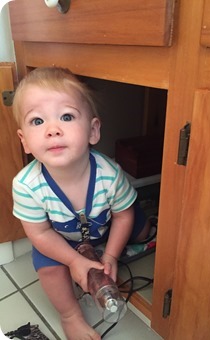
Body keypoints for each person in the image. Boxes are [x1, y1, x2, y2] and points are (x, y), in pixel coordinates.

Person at [12, 67, 151, 340]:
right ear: (24, 140)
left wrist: (110, 256)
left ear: (93, 130)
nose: (52, 130)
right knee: (49, 266)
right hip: (62, 240)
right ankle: (70, 317)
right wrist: (74, 261)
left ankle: (127, 237)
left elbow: (122, 216)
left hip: (109, 224)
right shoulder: (26, 186)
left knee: (141, 228)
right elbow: (39, 233)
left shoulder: (110, 173)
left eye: (66, 117)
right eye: (37, 121)